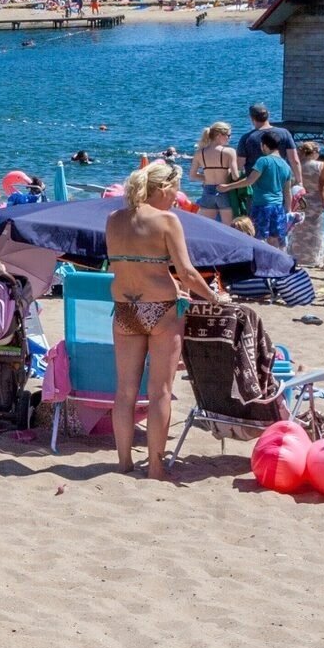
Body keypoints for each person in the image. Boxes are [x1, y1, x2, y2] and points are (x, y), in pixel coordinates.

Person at [105, 160, 228, 480]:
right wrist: (215, 297)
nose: (177, 195)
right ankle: (156, 468)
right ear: (161, 188)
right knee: (160, 391)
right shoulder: (167, 221)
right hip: (160, 308)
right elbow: (186, 272)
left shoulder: (113, 219)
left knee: (125, 391)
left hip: (125, 309)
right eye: (174, 189)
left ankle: (123, 463)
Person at [189, 121, 241, 224]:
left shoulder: (200, 153)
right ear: (218, 135)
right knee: (228, 228)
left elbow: (192, 176)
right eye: (228, 135)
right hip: (224, 190)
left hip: (208, 191)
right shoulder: (229, 152)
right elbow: (235, 177)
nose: (229, 138)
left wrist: (207, 177)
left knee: (208, 227)